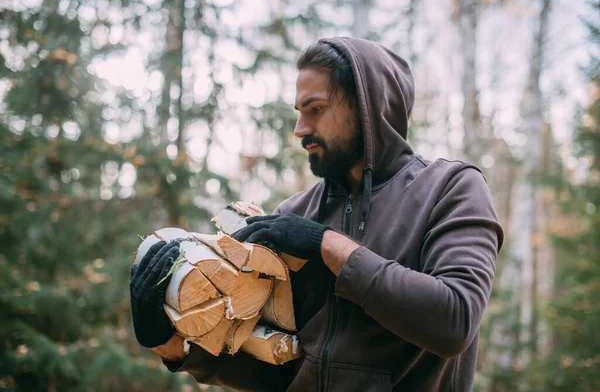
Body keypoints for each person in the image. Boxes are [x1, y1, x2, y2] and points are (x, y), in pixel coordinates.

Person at [129, 37, 504, 391]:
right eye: (299, 112)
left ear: (368, 107)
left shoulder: (450, 188)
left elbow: (454, 320)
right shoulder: (295, 212)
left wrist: (325, 245)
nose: (299, 129)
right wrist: (174, 348)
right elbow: (279, 371)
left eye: (316, 109)